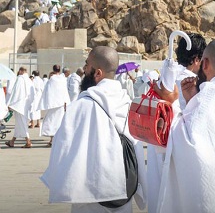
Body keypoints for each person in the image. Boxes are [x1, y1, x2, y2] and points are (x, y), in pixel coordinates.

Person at [40, 46, 146, 212]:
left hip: (90, 193)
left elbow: (64, 145)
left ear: (98, 73)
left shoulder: (82, 105)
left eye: (87, 65)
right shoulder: (128, 104)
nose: (84, 69)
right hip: (122, 188)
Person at [157, 39, 215, 212]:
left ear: (205, 63)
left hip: (210, 189)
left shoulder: (212, 93)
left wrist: (171, 103)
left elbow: (191, 141)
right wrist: (192, 99)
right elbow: (210, 133)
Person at [147, 32, 206, 213]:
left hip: (158, 149)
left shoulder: (165, 78)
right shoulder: (193, 83)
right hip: (180, 149)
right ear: (197, 59)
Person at [38, 65, 70, 147]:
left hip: (53, 104)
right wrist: (66, 102)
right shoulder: (63, 79)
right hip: (61, 104)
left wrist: (45, 103)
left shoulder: (52, 79)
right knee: (58, 122)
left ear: (53, 70)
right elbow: (65, 91)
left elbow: (48, 91)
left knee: (52, 121)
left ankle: (52, 140)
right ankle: (56, 139)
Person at [4, 67, 35, 148]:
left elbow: (15, 92)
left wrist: (10, 103)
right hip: (26, 105)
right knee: (19, 124)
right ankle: (12, 141)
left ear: (21, 71)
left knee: (22, 124)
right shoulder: (29, 80)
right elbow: (32, 93)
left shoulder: (20, 78)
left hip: (19, 105)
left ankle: (28, 142)